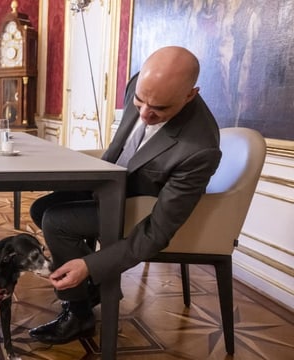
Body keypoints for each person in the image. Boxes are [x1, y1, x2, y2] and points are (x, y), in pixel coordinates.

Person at [28, 46, 222, 344]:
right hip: (111, 184)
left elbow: (157, 231)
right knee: (42, 208)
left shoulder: (199, 147)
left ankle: (78, 313)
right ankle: (96, 286)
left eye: (159, 109)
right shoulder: (140, 84)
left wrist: (91, 265)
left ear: (189, 95)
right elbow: (120, 149)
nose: (144, 114)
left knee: (57, 221)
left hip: (140, 204)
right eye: (140, 101)